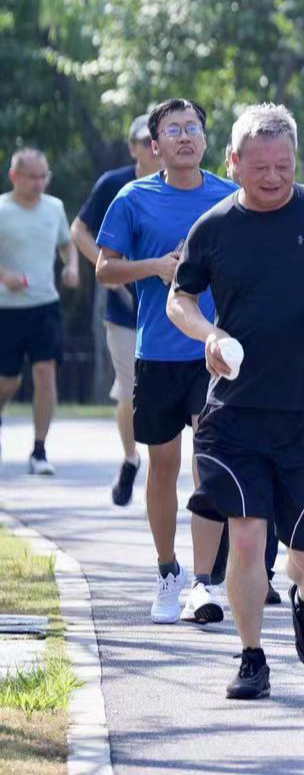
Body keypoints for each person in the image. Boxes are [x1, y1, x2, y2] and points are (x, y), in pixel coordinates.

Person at [165, 104, 304, 700]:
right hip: (236, 413)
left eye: (284, 166)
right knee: (249, 537)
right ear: (234, 162)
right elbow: (180, 299)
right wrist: (209, 336)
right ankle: (251, 656)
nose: (274, 177)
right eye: (260, 167)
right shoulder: (214, 227)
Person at [95, 98, 241, 624]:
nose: (184, 136)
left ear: (205, 139)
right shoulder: (133, 198)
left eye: (192, 127)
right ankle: (166, 571)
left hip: (210, 352)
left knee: (209, 464)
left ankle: (203, 582)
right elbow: (105, 269)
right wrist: (155, 266)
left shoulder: (229, 197)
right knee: (163, 466)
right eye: (173, 130)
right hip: (156, 353)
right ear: (155, 145)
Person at [71, 115, 159, 504]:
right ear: (133, 148)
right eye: (144, 141)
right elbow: (79, 230)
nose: (152, 147)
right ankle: (130, 458)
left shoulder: (183, 184)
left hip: (169, 309)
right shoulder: (114, 184)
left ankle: (164, 466)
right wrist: (106, 266)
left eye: (156, 139)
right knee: (129, 389)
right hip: (124, 309)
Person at [1, 148, 80, 475]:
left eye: (43, 176)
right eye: (32, 177)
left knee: (46, 373)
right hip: (6, 308)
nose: (39, 183)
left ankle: (39, 450)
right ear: (14, 176)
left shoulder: (54, 207)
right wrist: (5, 276)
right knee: (7, 381)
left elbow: (66, 243)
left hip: (45, 305)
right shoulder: (2, 210)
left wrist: (71, 266)